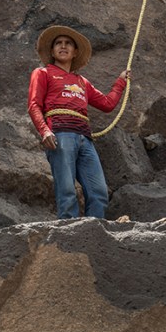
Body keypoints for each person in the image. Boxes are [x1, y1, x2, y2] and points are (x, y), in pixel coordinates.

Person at [27, 25, 129, 219]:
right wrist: (44, 131)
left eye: (68, 43)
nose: (63, 46)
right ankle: (68, 233)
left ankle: (94, 231)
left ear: (75, 52)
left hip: (85, 138)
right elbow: (33, 105)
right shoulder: (43, 73)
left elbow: (107, 104)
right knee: (66, 191)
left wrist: (121, 82)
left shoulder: (82, 82)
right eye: (58, 43)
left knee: (99, 192)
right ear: (52, 51)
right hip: (60, 135)